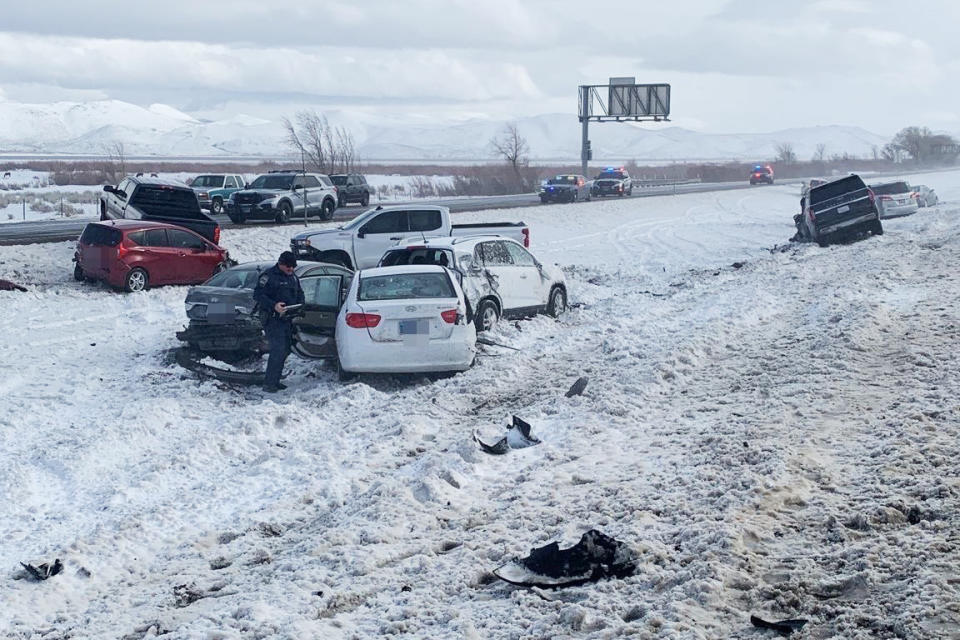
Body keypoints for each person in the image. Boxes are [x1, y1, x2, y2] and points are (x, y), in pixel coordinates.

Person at [253, 251, 304, 392]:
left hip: (287, 319)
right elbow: (257, 295)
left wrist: (300, 304)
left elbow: (300, 293)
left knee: (285, 349)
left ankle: (275, 380)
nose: (291, 270)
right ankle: (269, 383)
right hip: (272, 319)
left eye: (293, 267)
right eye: (288, 267)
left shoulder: (293, 277)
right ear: (281, 264)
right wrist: (274, 305)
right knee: (278, 349)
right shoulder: (268, 276)